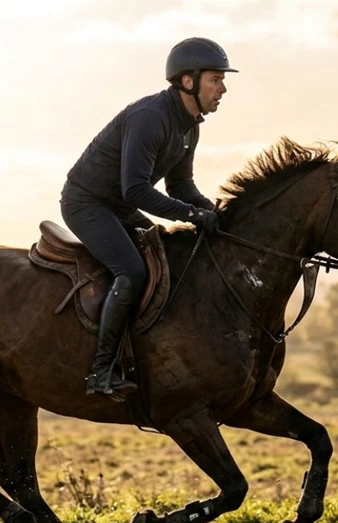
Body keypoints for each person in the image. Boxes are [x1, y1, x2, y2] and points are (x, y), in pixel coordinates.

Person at [60, 37, 237, 399]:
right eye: (215, 80)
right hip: (87, 203)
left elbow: (181, 184)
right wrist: (191, 215)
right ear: (188, 81)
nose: (223, 88)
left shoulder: (190, 124)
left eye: (222, 80)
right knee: (133, 271)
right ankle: (102, 370)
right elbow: (136, 191)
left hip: (117, 206)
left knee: (166, 256)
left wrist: (212, 212)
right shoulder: (150, 117)